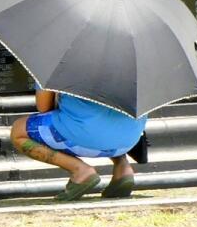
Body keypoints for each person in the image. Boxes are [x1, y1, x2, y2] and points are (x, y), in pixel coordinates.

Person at [9, 84, 147, 202]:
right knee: (108, 115)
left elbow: (44, 107)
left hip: (84, 136)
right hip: (128, 139)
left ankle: (80, 170)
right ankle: (123, 168)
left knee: (18, 131)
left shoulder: (60, 59)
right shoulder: (136, 62)